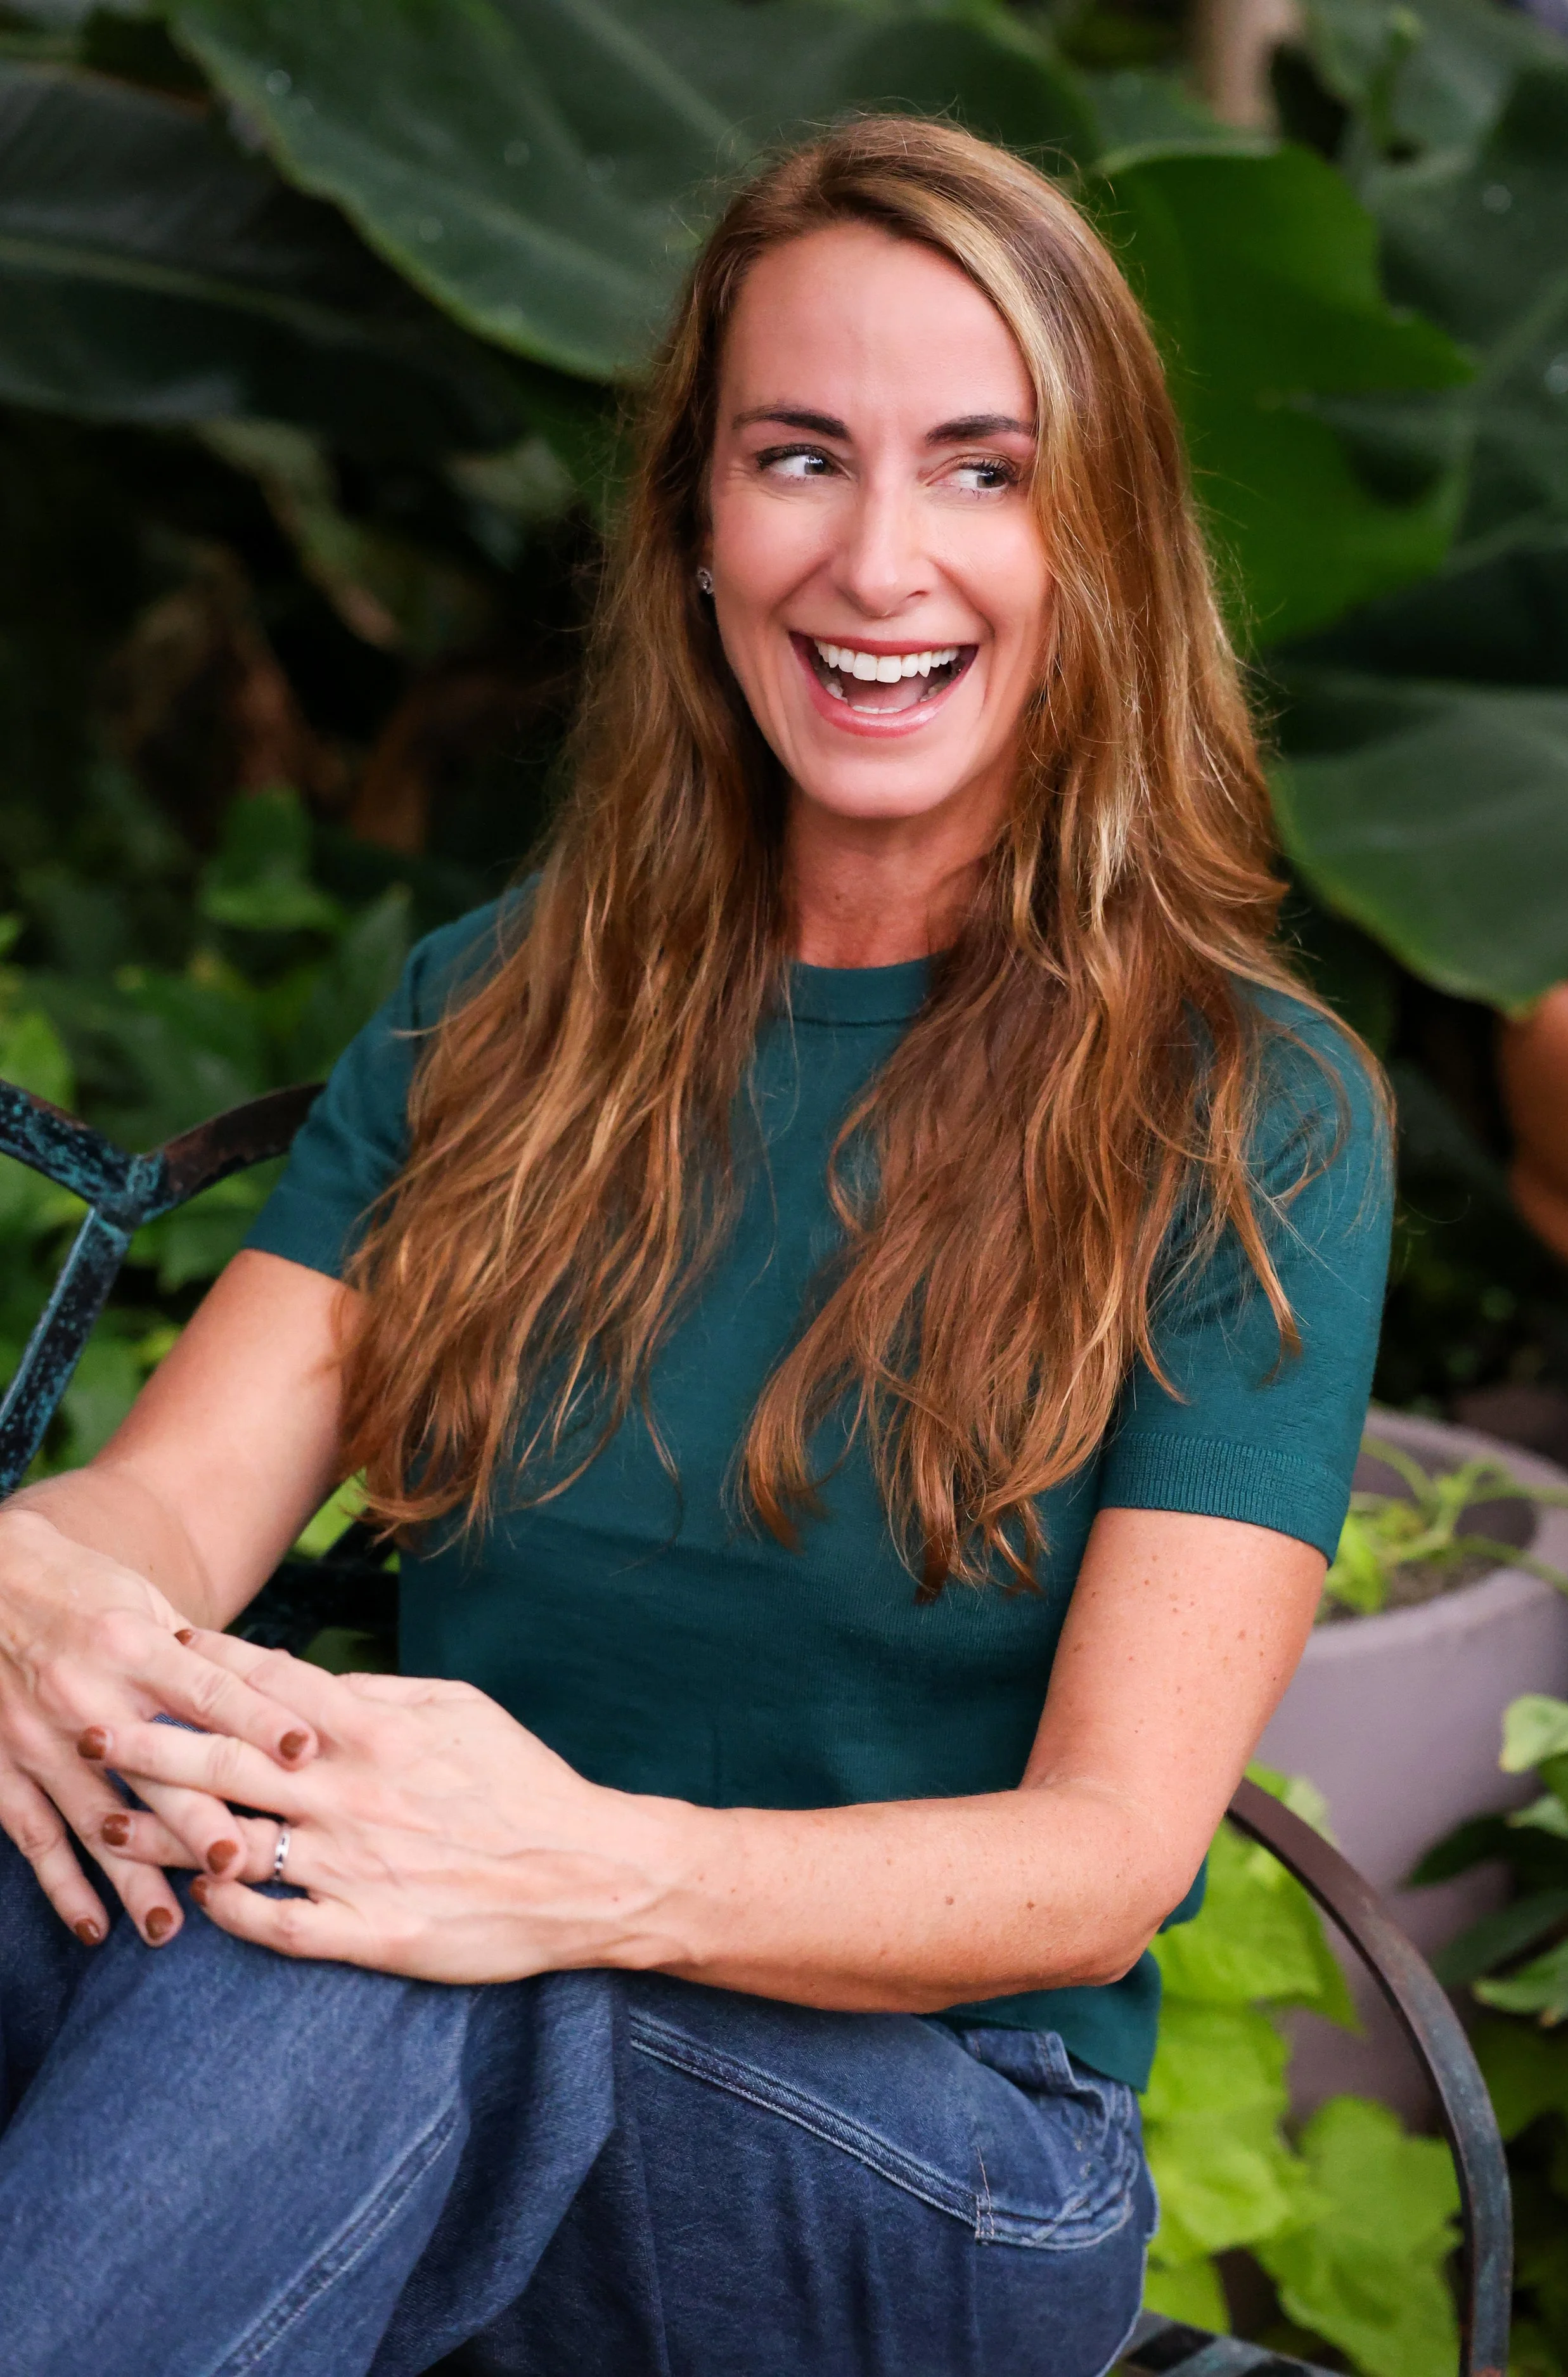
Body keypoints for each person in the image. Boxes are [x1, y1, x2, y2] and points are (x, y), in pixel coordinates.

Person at [0, 116, 1391, 2377]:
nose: (875, 559)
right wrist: (45, 1580)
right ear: (692, 530)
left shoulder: (1244, 1109)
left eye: (978, 468)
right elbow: (173, 1496)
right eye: (796, 456)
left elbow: (1101, 1850)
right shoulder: (500, 1003)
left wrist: (572, 1864)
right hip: (383, 1976)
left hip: (919, 2140)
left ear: (1101, 539)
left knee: (345, 1936)